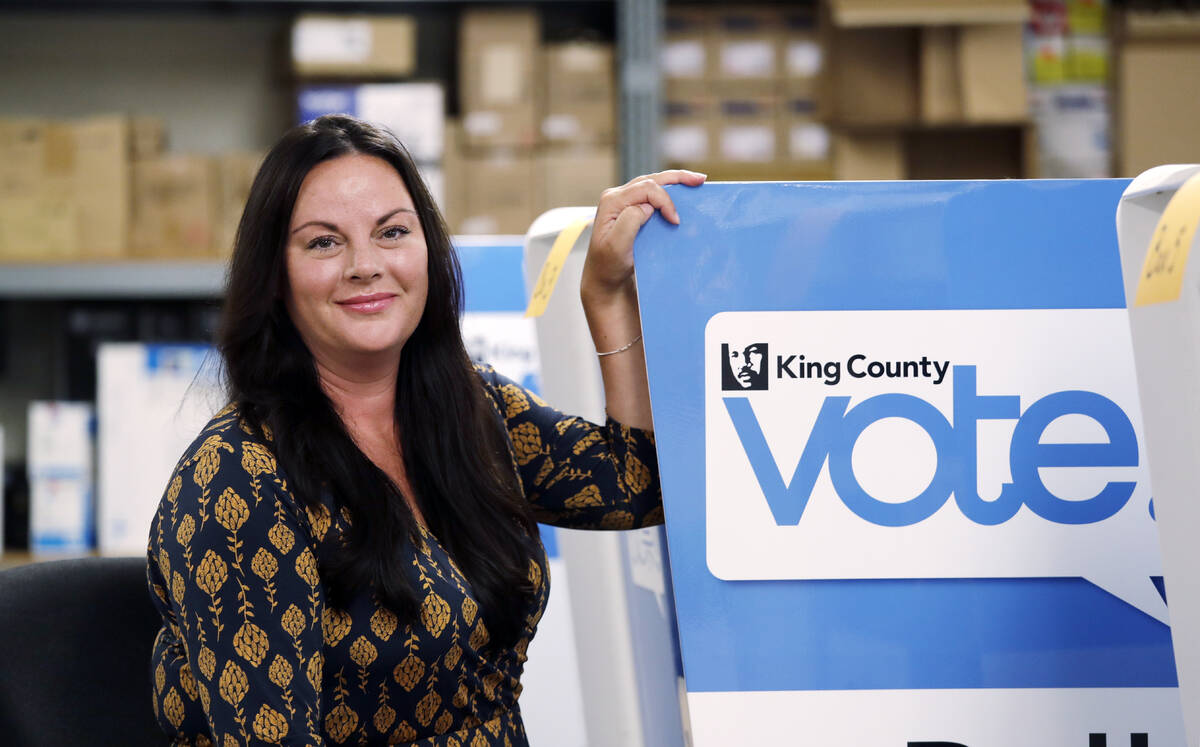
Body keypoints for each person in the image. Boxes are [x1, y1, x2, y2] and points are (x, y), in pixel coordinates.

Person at [145, 113, 706, 747]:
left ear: (429, 251)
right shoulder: (238, 482)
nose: (365, 265)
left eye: (392, 232)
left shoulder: (468, 407)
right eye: (324, 243)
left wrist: (606, 297)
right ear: (275, 277)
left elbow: (638, 484)